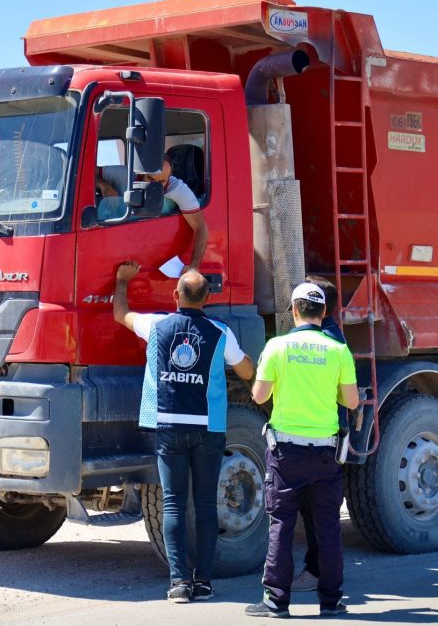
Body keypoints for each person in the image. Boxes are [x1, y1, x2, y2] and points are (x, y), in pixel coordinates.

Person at [113, 262, 254, 603]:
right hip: (208, 428)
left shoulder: (156, 325)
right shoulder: (221, 332)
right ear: (207, 299)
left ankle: (178, 582)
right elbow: (247, 371)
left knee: (174, 505)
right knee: (205, 504)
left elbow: (121, 314)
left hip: (168, 425)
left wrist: (121, 281)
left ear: (176, 295)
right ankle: (203, 581)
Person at [247, 283, 359, 618]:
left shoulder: (277, 347)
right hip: (326, 455)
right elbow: (351, 401)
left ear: (294, 310)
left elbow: (259, 396)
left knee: (281, 523)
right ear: (323, 313)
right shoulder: (338, 350)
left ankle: (276, 602)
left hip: (286, 454)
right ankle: (331, 601)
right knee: (327, 526)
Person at [291, 276, 345, 593]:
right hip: (327, 435)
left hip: (319, 436)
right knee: (318, 508)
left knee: (315, 510)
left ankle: (317, 571)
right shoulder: (333, 337)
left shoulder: (324, 342)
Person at [97, 153, 210, 271]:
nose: (154, 186)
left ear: (170, 177)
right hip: (117, 243)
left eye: (161, 181)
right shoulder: (124, 175)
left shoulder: (178, 190)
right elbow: (87, 173)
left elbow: (201, 227)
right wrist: (104, 185)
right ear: (141, 174)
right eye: (150, 179)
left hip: (152, 251)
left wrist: (194, 267)